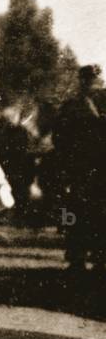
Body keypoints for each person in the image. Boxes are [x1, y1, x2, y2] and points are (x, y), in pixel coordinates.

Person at [54, 64, 106, 273]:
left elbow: (58, 138)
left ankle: (80, 258)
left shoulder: (72, 105)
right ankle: (96, 258)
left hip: (83, 169)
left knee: (79, 213)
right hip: (95, 169)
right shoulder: (80, 104)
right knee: (95, 214)